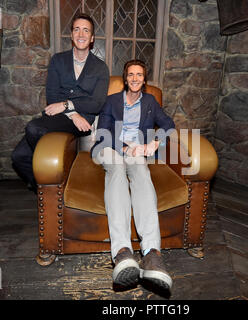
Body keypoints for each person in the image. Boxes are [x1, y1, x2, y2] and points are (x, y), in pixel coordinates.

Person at [91, 60, 175, 292]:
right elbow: (103, 133)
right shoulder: (112, 101)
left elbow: (168, 124)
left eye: (139, 75)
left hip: (138, 152)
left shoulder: (150, 102)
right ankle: (122, 252)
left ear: (144, 80)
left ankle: (152, 253)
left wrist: (154, 143)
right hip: (110, 148)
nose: (135, 78)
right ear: (125, 78)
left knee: (142, 172)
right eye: (131, 74)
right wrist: (125, 148)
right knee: (117, 168)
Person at [12, 13, 109, 192]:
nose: (81, 34)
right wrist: (72, 113)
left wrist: (67, 105)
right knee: (18, 157)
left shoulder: (101, 67)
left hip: (83, 122)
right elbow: (52, 95)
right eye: (77, 29)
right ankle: (45, 190)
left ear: (92, 38)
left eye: (86, 30)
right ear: (71, 35)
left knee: (33, 128)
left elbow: (97, 103)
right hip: (62, 116)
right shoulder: (58, 60)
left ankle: (53, 190)